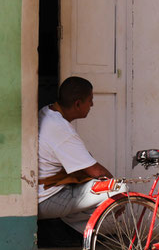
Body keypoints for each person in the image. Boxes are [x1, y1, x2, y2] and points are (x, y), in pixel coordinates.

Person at [37, 76, 119, 241]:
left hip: (45, 192)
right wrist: (116, 188)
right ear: (77, 104)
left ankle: (74, 229)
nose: (92, 105)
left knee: (91, 187)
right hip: (47, 199)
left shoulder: (47, 111)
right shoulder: (62, 131)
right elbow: (96, 171)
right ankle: (81, 235)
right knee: (118, 189)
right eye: (90, 100)